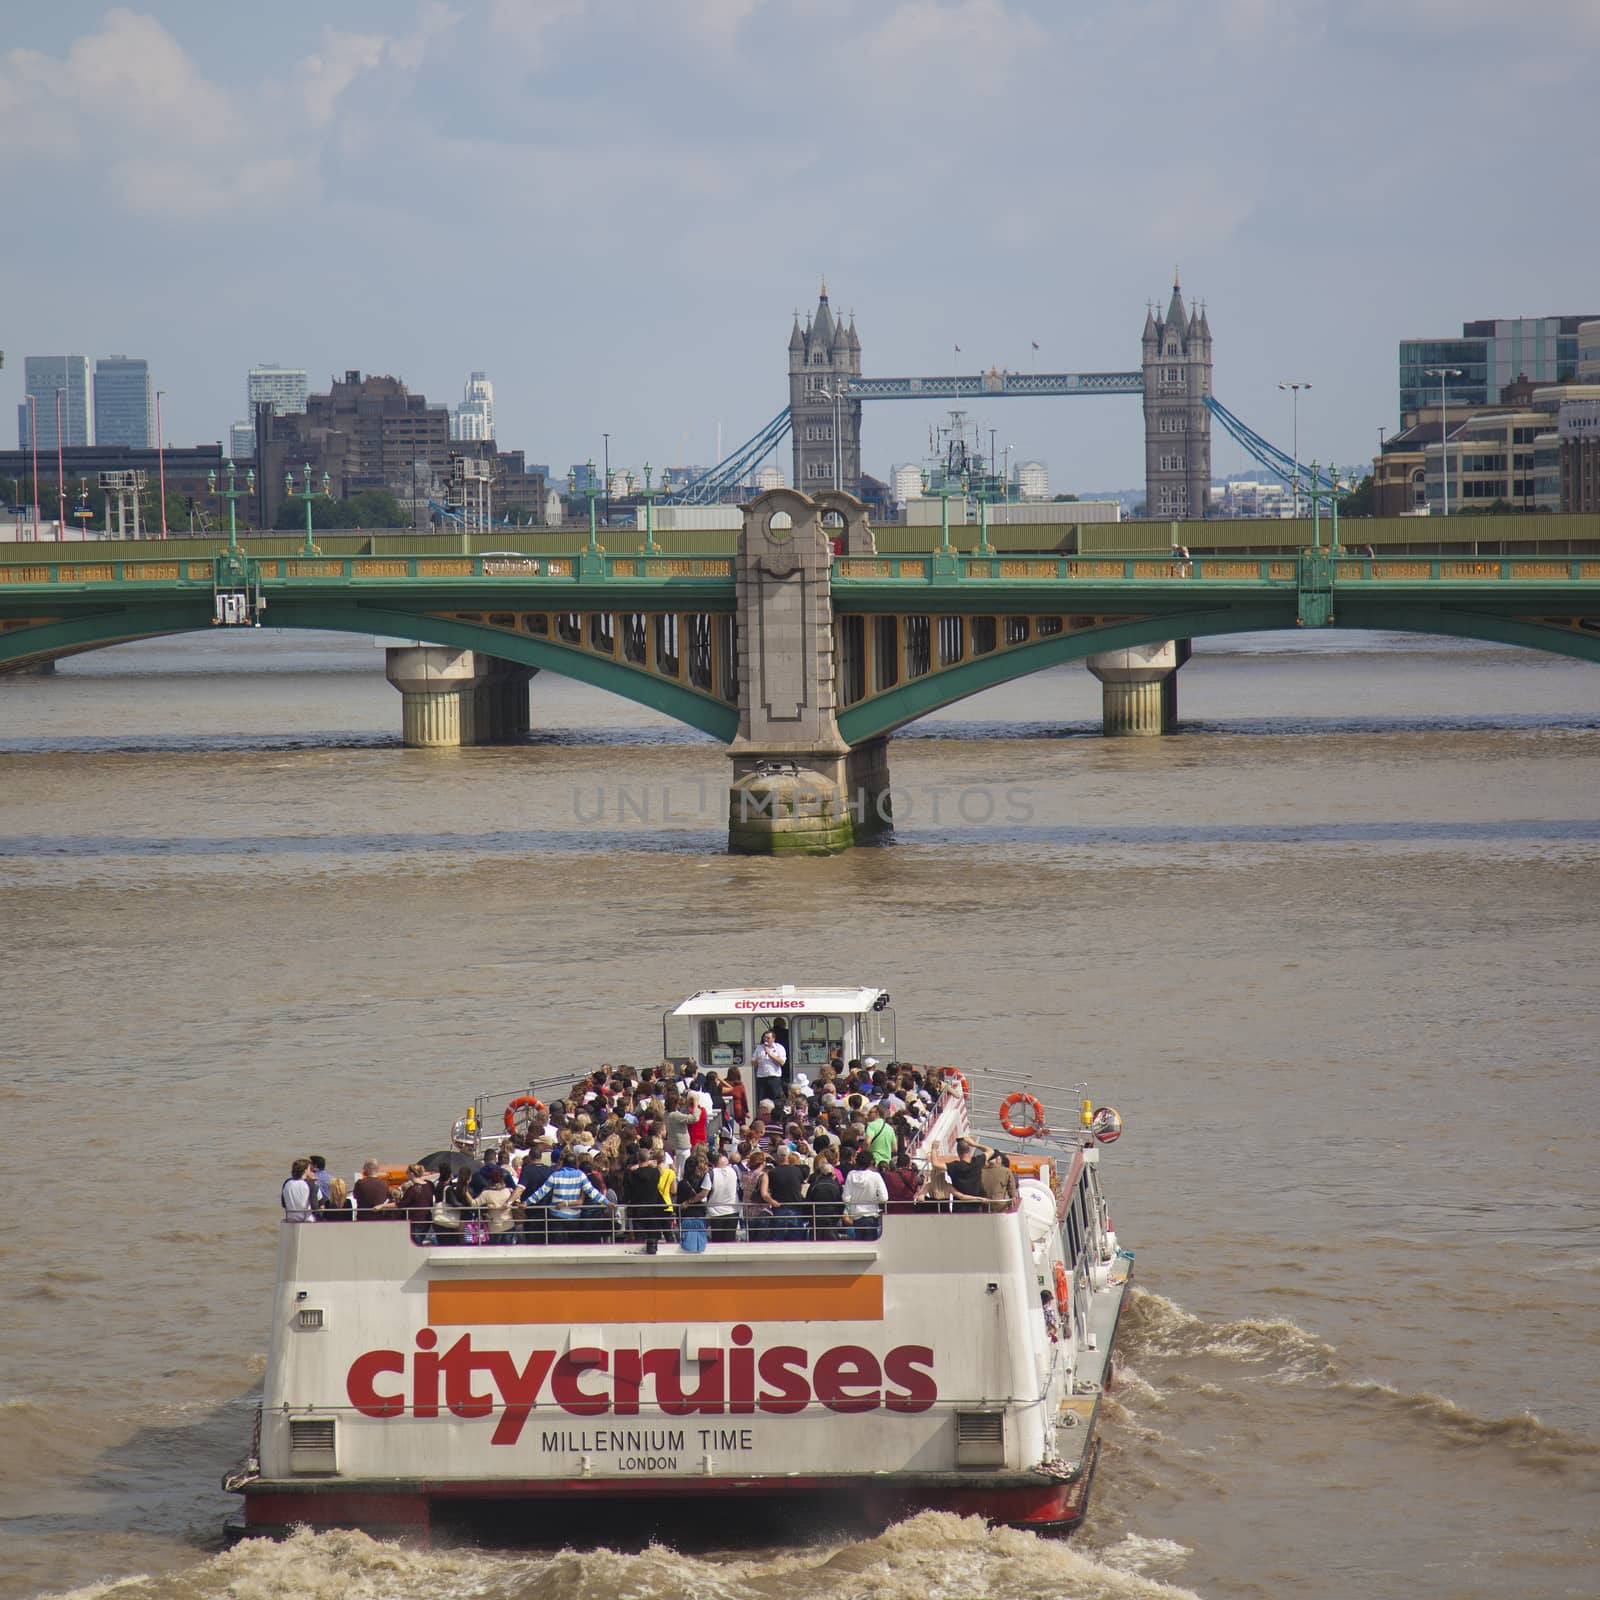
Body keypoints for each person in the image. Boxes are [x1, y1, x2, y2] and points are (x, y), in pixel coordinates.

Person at [526, 1151, 612, 1244]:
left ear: (563, 1163)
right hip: (574, 1217)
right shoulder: (580, 1175)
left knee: (558, 1246)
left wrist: (526, 1203)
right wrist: (607, 1202)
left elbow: (541, 1192)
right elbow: (592, 1191)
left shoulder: (555, 1175)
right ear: (575, 1164)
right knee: (573, 1246)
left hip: (557, 1215)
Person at [842, 1149, 889, 1240]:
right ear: (871, 1162)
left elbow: (846, 1198)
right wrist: (874, 1200)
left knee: (860, 1246)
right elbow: (884, 1197)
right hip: (871, 1214)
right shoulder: (875, 1176)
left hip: (856, 1215)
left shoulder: (851, 1175)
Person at [701, 1153, 741, 1242]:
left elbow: (704, 1193)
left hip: (716, 1212)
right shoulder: (734, 1171)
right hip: (733, 1210)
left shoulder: (711, 1174)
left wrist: (690, 1200)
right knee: (730, 1239)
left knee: (717, 1240)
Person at [472, 1170, 518, 1243]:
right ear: (503, 1179)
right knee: (508, 1251)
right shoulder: (509, 1191)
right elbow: (518, 1201)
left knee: (494, 1251)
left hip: (493, 1227)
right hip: (509, 1224)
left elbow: (474, 1204)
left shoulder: (486, 1193)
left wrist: (465, 1191)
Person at [397, 1163, 437, 1243]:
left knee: (416, 1243)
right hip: (427, 1219)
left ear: (412, 1174)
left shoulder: (413, 1189)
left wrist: (383, 1205)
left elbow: (400, 1204)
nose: (406, 1174)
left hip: (416, 1221)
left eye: (407, 1172)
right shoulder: (429, 1184)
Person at [280, 1158, 315, 1223]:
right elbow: (315, 1206)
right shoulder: (310, 1184)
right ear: (305, 1171)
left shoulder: (286, 1183)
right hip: (307, 1220)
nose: (311, 1171)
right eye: (309, 1169)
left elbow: (283, 1204)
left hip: (290, 1219)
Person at [752, 1029, 787, 1094]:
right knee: (762, 1099)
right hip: (761, 1077)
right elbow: (752, 1061)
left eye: (768, 1038)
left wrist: (770, 1053)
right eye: (764, 1038)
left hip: (774, 1077)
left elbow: (782, 1062)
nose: (765, 1039)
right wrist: (757, 1061)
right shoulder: (759, 1048)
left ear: (773, 1039)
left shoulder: (779, 1047)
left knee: (776, 1098)